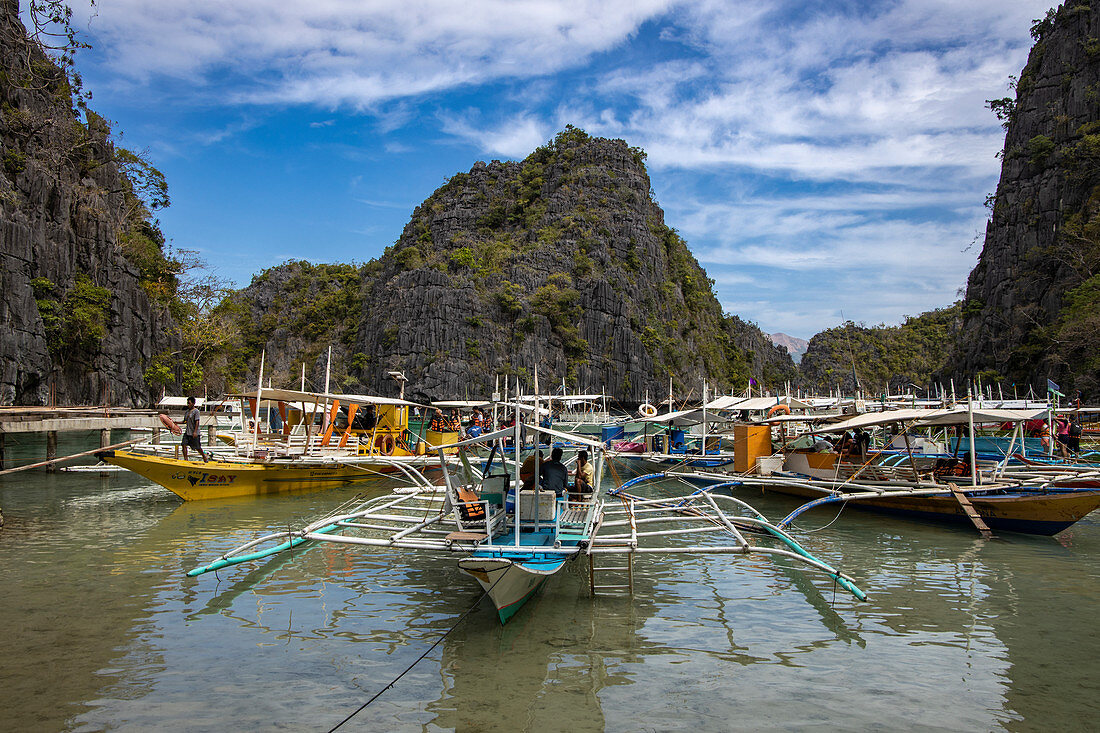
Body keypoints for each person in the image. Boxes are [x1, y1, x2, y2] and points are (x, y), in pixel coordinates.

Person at [182, 396, 208, 463]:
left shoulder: (196, 411)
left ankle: (204, 457)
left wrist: (195, 432)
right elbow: (184, 421)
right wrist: (174, 423)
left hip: (193, 432)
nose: (188, 404)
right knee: (183, 444)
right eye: (188, 403)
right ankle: (186, 459)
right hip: (187, 432)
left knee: (197, 447)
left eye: (189, 403)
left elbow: (197, 422)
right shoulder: (187, 412)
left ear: (193, 403)